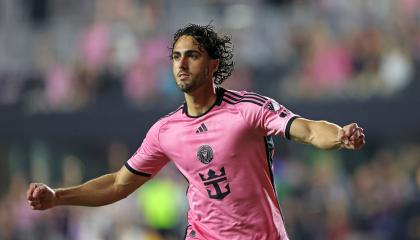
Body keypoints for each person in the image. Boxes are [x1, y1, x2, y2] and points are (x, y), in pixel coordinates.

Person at [27, 24, 365, 240]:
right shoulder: (165, 131)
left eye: (192, 55)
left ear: (213, 64)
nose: (181, 64)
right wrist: (58, 196)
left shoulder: (247, 109)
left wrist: (338, 135)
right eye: (176, 57)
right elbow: (118, 184)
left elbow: (305, 129)